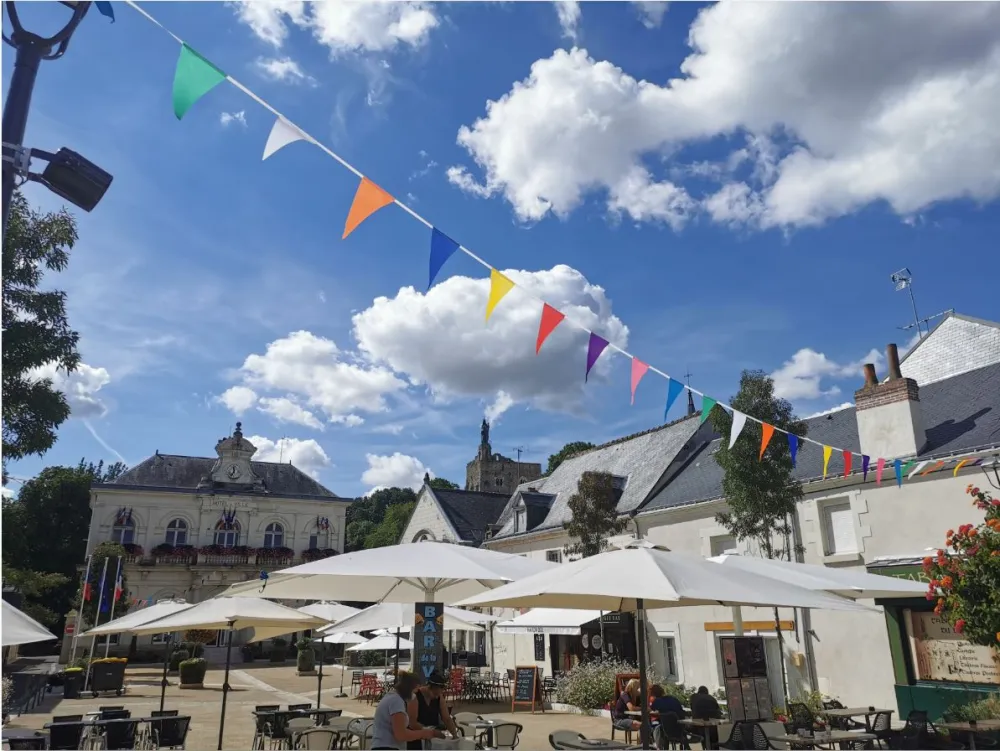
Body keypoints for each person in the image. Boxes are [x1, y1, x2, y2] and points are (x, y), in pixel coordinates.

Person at [371, 671, 445, 750]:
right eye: (414, 691)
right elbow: (401, 734)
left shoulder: (392, 697)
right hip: (386, 747)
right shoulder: (396, 701)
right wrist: (425, 733)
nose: (415, 695)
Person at [406, 670, 459, 750]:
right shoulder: (415, 696)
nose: (437, 697)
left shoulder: (439, 697)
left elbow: (447, 718)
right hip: (416, 739)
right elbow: (412, 723)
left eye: (439, 695)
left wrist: (455, 735)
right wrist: (430, 731)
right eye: (435, 694)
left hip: (432, 739)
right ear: (429, 688)